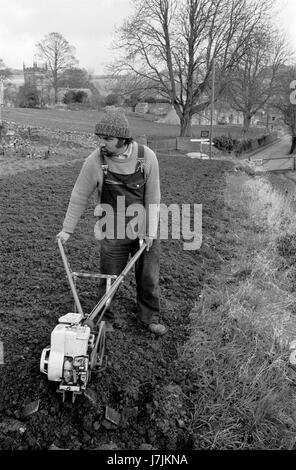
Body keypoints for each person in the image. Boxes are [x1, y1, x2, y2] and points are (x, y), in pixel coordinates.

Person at [56, 109, 166, 336]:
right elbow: (79, 195)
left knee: (148, 275)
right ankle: (105, 319)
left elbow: (153, 197)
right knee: (109, 276)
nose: (102, 144)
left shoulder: (147, 158)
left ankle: (149, 318)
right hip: (112, 227)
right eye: (101, 138)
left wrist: (150, 231)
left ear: (123, 139)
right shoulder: (95, 161)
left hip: (145, 224)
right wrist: (67, 230)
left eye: (108, 139)